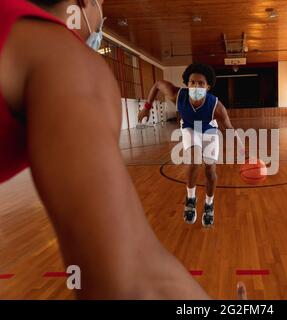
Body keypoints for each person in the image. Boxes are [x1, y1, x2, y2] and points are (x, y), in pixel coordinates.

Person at [0, 0, 213, 299]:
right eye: (101, 3)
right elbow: (132, 282)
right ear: (85, 1)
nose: (103, 13)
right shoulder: (63, 57)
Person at [138, 63, 244, 228]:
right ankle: (191, 198)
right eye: (192, 82)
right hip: (189, 129)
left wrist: (242, 147)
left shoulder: (216, 106)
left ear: (208, 87)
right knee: (194, 162)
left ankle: (209, 204)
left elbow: (229, 128)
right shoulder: (177, 95)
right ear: (187, 84)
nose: (196, 86)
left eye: (201, 83)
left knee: (210, 170)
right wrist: (147, 107)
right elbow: (158, 84)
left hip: (209, 130)